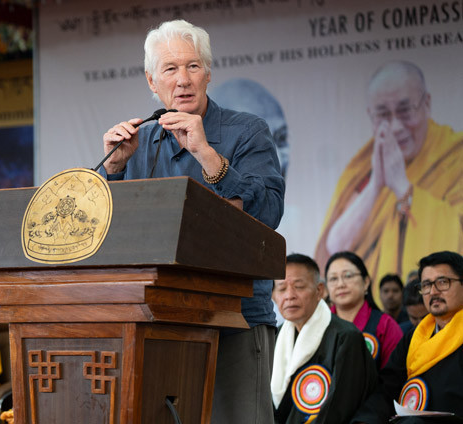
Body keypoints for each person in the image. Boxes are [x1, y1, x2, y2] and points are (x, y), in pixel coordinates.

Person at [100, 20, 284, 423]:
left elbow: (267, 215)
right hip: (158, 317)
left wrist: (205, 153)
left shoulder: (247, 131)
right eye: (170, 69)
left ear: (208, 74)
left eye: (193, 66)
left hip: (234, 316)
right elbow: (111, 233)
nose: (183, 80)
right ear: (152, 80)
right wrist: (113, 169)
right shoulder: (140, 141)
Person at [315, 61, 463, 284]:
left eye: (405, 111)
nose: (395, 126)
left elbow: (457, 232)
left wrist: (403, 188)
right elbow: (333, 247)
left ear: (427, 104)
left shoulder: (455, 155)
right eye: (383, 115)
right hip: (370, 300)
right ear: (371, 116)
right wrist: (376, 184)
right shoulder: (364, 165)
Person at [353, 251, 463, 422]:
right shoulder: (415, 336)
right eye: (426, 285)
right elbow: (387, 388)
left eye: (443, 282)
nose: (433, 292)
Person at [272, 254, 376, 423]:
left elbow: (339, 407)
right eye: (282, 289)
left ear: (319, 290)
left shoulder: (346, 337)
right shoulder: (274, 337)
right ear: (273, 296)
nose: (289, 295)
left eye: (298, 286)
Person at [325, 251, 402, 369]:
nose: (340, 284)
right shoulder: (319, 325)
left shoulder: (385, 325)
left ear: (366, 282)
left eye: (348, 276)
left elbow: (394, 377)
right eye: (333, 278)